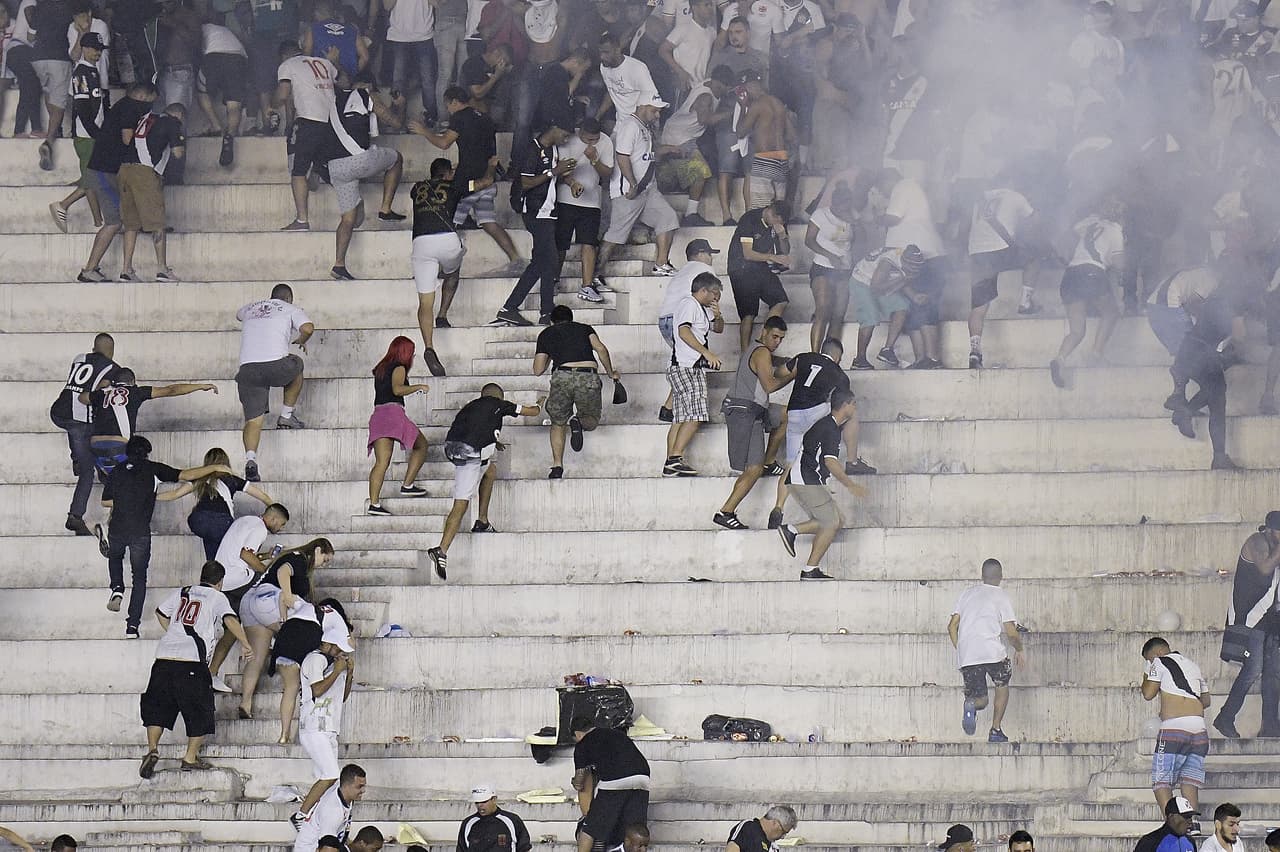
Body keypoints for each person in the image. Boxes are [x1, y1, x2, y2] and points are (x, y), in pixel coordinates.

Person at [100, 437, 233, 638]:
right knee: (139, 578)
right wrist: (214, 467)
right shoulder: (153, 468)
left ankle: (117, 587)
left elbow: (105, 502)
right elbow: (185, 475)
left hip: (117, 528)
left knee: (115, 557)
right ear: (147, 453)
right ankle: (132, 627)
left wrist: (127, 500)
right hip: (139, 532)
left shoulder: (116, 471)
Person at [138, 560, 252, 778]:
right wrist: (246, 643)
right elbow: (230, 619)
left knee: (157, 707)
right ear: (220, 582)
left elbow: (161, 613)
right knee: (200, 709)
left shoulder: (183, 592)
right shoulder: (217, 597)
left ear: (202, 577)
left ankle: (152, 749)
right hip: (191, 661)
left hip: (164, 656)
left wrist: (174, 632)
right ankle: (190, 758)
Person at [410, 86, 526, 279]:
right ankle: (516, 259)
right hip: (487, 178)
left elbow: (444, 143)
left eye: (448, 105)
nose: (449, 110)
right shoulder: (484, 117)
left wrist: (423, 131)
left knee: (446, 222)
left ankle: (436, 269)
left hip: (467, 183)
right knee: (489, 223)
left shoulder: (460, 117)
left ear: (454, 101)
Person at [427, 384, 541, 580]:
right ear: (499, 396)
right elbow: (532, 412)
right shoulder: (499, 404)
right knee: (461, 504)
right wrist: (540, 403)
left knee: (490, 470)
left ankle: (482, 521)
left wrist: (493, 441)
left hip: (452, 447)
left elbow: (474, 426)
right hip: (469, 454)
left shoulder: (471, 406)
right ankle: (442, 550)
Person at [767, 337, 875, 530]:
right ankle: (852, 461)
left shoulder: (804, 357)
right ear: (837, 356)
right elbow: (843, 402)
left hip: (794, 414)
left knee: (791, 464)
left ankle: (778, 507)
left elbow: (779, 372)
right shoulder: (839, 374)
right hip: (816, 412)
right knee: (851, 413)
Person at [407, 156, 500, 369]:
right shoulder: (454, 184)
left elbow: (432, 186)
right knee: (453, 270)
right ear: (449, 173)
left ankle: (429, 347)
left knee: (424, 302)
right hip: (447, 239)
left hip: (421, 244)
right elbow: (485, 182)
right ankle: (443, 314)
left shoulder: (417, 188)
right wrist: (491, 165)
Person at [237, 538, 335, 726]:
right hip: (268, 598)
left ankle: (245, 703)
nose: (324, 565)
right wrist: (289, 596)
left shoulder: (298, 561)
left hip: (251, 602)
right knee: (305, 628)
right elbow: (283, 571)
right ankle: (299, 675)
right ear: (318, 550)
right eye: (325, 559)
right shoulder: (300, 558)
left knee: (257, 658)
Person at [776, 387, 867, 579]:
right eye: (854, 403)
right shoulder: (830, 428)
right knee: (831, 522)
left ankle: (793, 533)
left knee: (837, 520)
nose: (856, 407)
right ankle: (808, 565)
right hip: (805, 481)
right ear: (846, 405)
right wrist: (851, 485)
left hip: (806, 480)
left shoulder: (828, 425)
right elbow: (830, 462)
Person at [76, 82, 159, 283]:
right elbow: (126, 138)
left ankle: (113, 269)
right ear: (142, 96)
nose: (151, 106)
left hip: (105, 171)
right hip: (104, 172)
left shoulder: (123, 106)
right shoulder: (130, 108)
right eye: (151, 101)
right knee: (113, 222)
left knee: (123, 218)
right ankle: (89, 269)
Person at [714, 316, 792, 530]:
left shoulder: (756, 349)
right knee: (753, 469)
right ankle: (726, 512)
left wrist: (787, 360)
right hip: (744, 412)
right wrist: (792, 374)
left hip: (755, 410)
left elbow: (770, 363)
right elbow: (770, 385)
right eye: (774, 336)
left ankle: (769, 461)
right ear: (764, 332)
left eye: (781, 339)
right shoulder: (762, 352)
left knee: (787, 414)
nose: (777, 342)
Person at [494, 120, 574, 327]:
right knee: (549, 260)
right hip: (536, 211)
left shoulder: (552, 149)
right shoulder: (532, 149)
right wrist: (554, 172)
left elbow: (554, 177)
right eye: (565, 134)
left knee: (542, 262)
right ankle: (543, 312)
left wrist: (570, 181)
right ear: (554, 128)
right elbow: (527, 182)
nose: (566, 139)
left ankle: (514, 309)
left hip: (548, 211)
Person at [207, 504, 292, 692]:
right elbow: (245, 554)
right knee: (273, 588)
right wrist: (266, 571)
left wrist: (265, 556)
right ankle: (273, 633)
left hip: (223, 580)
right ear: (273, 519)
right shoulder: (260, 529)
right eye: (281, 524)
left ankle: (211, 673)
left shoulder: (245, 521)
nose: (280, 528)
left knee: (232, 630)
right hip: (237, 578)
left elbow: (243, 552)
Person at [235, 284, 315, 482]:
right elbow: (308, 327)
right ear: (288, 298)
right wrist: (302, 339)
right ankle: (286, 415)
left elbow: (238, 315)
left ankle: (250, 460)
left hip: (248, 370)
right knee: (296, 363)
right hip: (275, 365)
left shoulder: (250, 308)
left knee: (253, 421)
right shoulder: (291, 309)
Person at [533, 305, 620, 478]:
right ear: (571, 318)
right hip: (587, 376)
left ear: (552, 321)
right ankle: (578, 423)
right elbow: (601, 349)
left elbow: (537, 369)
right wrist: (611, 373)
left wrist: (551, 354)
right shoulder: (584, 328)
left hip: (562, 375)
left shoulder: (546, 334)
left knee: (557, 422)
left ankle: (557, 466)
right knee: (591, 420)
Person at [1214, 511, 1280, 739]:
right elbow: (1265, 568)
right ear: (1270, 530)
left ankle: (1271, 727)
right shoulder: (1256, 542)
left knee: (1273, 673)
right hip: (1250, 617)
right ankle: (1225, 717)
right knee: (1253, 669)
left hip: (1270, 619)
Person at [83, 368, 217, 480]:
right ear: (132, 382)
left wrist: (101, 387)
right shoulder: (136, 392)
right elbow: (170, 390)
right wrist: (200, 386)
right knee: (129, 485)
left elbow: (82, 397)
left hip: (95, 446)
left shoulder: (102, 394)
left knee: (114, 485)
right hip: (119, 446)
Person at [599, 95, 680, 280]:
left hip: (648, 188)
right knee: (615, 236)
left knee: (668, 219)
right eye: (655, 110)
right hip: (629, 191)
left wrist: (668, 149)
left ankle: (661, 264)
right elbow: (622, 157)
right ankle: (595, 276)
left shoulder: (645, 127)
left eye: (659, 111)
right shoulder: (630, 126)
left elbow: (646, 155)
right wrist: (633, 183)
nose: (658, 114)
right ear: (642, 106)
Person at [288, 606, 355, 829]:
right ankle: (300, 815)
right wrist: (337, 671)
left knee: (329, 778)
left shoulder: (334, 664)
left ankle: (314, 820)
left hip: (329, 728)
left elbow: (342, 697)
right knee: (331, 774)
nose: (341, 654)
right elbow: (316, 690)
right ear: (329, 645)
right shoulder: (314, 660)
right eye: (338, 649)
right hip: (314, 727)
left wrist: (348, 673)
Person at [1050, 200, 1126, 389]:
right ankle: (1096, 354)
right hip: (1092, 274)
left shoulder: (1090, 222)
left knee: (1077, 331)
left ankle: (1060, 359)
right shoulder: (1115, 229)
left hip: (1070, 275)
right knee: (1111, 312)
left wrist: (1064, 257)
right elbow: (1119, 264)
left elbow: (1068, 235)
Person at [948, 558, 1025, 743]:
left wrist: (962, 650)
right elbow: (1011, 632)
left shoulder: (966, 594)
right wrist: (1020, 649)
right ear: (1000, 577)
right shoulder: (1000, 595)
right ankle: (995, 729)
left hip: (968, 654)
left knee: (980, 698)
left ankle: (972, 704)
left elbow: (951, 626)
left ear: (982, 576)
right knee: (1002, 682)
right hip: (992, 652)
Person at [966, 182, 1041, 369]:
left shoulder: (981, 199)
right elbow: (1036, 221)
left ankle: (975, 351)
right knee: (1034, 259)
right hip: (1000, 248)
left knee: (978, 307)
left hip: (976, 253)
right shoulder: (1015, 195)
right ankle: (1025, 302)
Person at [49, 332, 118, 536]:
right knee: (88, 470)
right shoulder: (112, 369)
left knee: (82, 440)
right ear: (111, 352)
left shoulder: (79, 358)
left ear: (94, 347)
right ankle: (75, 517)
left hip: (58, 412)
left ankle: (77, 457)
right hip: (79, 420)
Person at [1167, 289, 1244, 470]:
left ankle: (1184, 411)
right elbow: (1240, 337)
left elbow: (1194, 307)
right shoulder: (1235, 302)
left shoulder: (1216, 298)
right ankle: (1218, 456)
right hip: (1201, 353)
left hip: (1188, 350)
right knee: (1217, 395)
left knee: (1217, 393)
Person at [878, 168, 945, 369]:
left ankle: (933, 358)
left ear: (888, 179)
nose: (884, 193)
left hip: (924, 257)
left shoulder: (904, 185)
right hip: (913, 258)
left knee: (923, 306)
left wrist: (875, 218)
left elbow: (893, 217)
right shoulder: (908, 187)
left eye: (882, 187)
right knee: (914, 310)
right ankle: (921, 359)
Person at [161, 447, 276, 559]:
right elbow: (262, 496)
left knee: (212, 548)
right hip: (221, 521)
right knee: (227, 556)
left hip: (198, 519)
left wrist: (150, 496)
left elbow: (174, 494)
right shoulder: (232, 479)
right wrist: (276, 510)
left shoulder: (199, 478)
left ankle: (212, 573)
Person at [657, 66, 734, 230]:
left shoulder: (708, 83)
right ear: (716, 83)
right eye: (720, 87)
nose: (720, 91)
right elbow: (705, 120)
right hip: (679, 137)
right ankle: (690, 215)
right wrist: (730, 114)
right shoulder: (706, 96)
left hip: (680, 133)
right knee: (701, 172)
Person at [1141, 636, 1211, 812]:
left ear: (1157, 653)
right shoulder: (1193, 665)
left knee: (1161, 781)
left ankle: (1172, 825)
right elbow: (1206, 700)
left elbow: (1148, 693)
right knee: (1189, 781)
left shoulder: (1159, 662)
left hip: (1174, 729)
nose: (1151, 663)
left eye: (1149, 660)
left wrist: (1147, 671)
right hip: (1199, 729)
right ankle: (1192, 824)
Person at [665, 272, 725, 477]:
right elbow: (684, 332)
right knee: (697, 414)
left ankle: (670, 464)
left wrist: (718, 314)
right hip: (688, 367)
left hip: (683, 367)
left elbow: (718, 329)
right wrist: (707, 353)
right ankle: (675, 458)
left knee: (680, 418)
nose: (717, 297)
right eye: (715, 293)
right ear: (703, 290)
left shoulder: (700, 308)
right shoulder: (689, 304)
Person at [118, 103, 186, 282]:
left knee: (131, 223)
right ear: (179, 115)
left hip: (124, 170)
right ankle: (162, 269)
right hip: (145, 173)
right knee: (157, 222)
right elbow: (178, 153)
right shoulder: (172, 122)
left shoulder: (146, 118)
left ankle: (126, 269)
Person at [275, 43, 339, 232]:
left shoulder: (287, 65)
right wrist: (334, 62)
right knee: (321, 161)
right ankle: (317, 169)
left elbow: (283, 95)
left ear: (284, 55)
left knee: (298, 171)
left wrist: (272, 102)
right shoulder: (324, 63)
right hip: (333, 123)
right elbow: (343, 82)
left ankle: (302, 220)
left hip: (309, 121)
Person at [366, 336, 431, 515]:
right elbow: (397, 390)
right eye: (411, 351)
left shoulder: (381, 368)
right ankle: (408, 484)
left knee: (381, 463)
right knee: (422, 445)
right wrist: (419, 386)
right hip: (393, 413)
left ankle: (374, 504)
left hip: (378, 415)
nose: (413, 355)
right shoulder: (399, 367)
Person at [48, 32, 106, 232]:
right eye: (94, 49)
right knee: (92, 179)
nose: (98, 53)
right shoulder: (81, 73)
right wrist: (97, 135)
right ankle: (63, 205)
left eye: (100, 49)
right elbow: (81, 108)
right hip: (86, 135)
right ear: (84, 48)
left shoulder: (91, 71)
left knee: (91, 177)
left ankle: (98, 221)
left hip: (91, 133)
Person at [555, 117, 615, 302]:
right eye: (588, 139)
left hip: (592, 201)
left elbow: (608, 173)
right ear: (580, 132)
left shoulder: (605, 141)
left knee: (589, 243)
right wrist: (572, 182)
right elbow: (560, 169)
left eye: (595, 139)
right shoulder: (569, 138)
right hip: (566, 199)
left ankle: (587, 286)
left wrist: (594, 160)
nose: (592, 142)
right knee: (560, 243)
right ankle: (553, 279)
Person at [571, 717, 650, 852]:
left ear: (578, 734)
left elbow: (580, 782)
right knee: (632, 831)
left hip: (615, 780)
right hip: (642, 778)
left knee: (590, 829)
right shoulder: (616, 734)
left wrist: (575, 781)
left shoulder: (583, 743)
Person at [846, 244, 924, 370]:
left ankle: (887, 350)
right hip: (862, 280)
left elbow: (902, 279)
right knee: (870, 316)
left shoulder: (909, 262)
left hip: (880, 284)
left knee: (902, 305)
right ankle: (859, 359)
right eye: (910, 270)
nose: (912, 272)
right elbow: (876, 287)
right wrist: (903, 278)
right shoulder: (887, 262)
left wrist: (914, 296)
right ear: (903, 261)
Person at [727, 199, 791, 351]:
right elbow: (747, 254)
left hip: (760, 267)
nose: (776, 223)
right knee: (748, 313)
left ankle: (762, 346)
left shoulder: (779, 223)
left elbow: (786, 250)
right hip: (741, 268)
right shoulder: (750, 219)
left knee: (781, 300)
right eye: (775, 219)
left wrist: (782, 236)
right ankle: (745, 356)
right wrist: (773, 257)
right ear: (770, 211)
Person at [805, 184, 859, 353]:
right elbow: (809, 240)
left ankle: (829, 358)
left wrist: (855, 223)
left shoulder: (852, 216)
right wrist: (830, 255)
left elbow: (860, 241)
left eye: (846, 205)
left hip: (844, 270)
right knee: (823, 310)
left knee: (838, 315)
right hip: (822, 266)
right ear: (834, 203)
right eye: (841, 205)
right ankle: (814, 354)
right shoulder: (821, 214)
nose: (843, 208)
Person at [735, 70, 792, 211]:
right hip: (782, 160)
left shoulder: (758, 105)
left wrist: (743, 107)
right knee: (778, 211)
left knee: (762, 211)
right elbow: (792, 136)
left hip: (764, 160)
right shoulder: (779, 104)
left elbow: (740, 132)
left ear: (748, 88)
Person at [30, 0, 76, 172]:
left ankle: (54, 131)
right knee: (59, 101)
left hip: (38, 58)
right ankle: (50, 140)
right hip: (59, 58)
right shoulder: (70, 7)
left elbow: (30, 36)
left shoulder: (40, 7)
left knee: (49, 93)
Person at [196, 21, 249, 167]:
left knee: (201, 92)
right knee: (234, 105)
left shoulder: (199, 27)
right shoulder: (226, 30)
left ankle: (216, 126)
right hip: (238, 59)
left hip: (213, 58)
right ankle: (230, 135)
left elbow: (195, 49)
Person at [293, 763, 368, 852]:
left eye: (364, 786)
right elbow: (327, 849)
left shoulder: (343, 792)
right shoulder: (333, 812)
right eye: (359, 787)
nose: (363, 790)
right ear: (346, 785)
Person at [458, 785, 533, 852]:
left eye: (484, 801)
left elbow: (524, 848)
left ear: (494, 799)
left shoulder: (512, 820)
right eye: (477, 802)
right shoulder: (468, 823)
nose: (480, 805)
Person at [1133, 797, 1198, 852]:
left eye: (1190, 817)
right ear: (1171, 816)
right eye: (1186, 817)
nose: (1190, 821)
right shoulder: (1150, 841)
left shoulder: (1190, 842)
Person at [725, 807, 797, 852]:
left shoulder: (773, 847)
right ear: (775, 823)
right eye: (783, 832)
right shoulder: (748, 827)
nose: (783, 837)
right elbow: (732, 847)